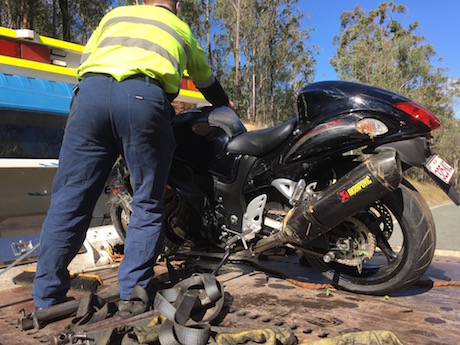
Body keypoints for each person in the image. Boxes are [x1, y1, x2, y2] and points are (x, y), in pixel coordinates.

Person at [32, 0, 231, 311]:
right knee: (147, 201)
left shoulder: (115, 15)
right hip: (143, 99)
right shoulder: (179, 28)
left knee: (69, 199)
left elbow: (87, 61)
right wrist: (225, 105)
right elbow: (206, 82)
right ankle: (133, 293)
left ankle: (46, 297)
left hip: (90, 96)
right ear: (176, 5)